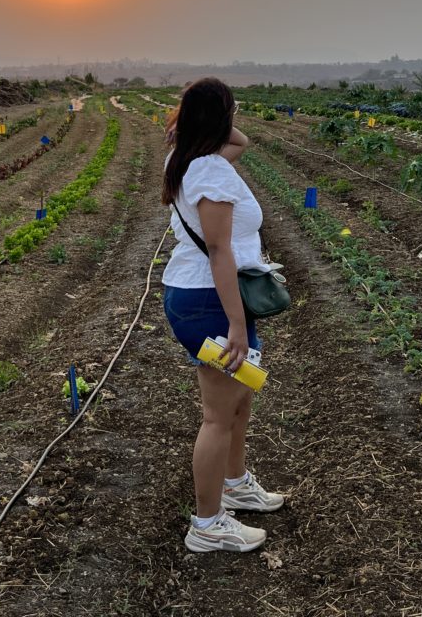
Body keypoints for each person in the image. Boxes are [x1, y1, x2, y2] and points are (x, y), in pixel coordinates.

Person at [161, 77, 285, 553]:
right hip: (209, 301)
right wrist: (236, 326)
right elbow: (218, 251)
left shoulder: (188, 159)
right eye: (230, 110)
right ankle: (207, 524)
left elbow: (242, 142)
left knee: (240, 399)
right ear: (220, 116)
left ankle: (234, 483)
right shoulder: (208, 171)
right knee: (217, 415)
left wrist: (192, 121)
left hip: (201, 294)